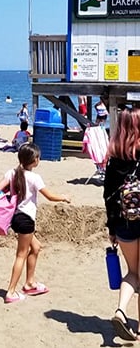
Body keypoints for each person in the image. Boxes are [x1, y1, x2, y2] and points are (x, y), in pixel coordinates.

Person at [0, 143, 70, 304]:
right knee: (21, 254)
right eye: (38, 158)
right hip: (26, 219)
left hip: (15, 218)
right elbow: (49, 196)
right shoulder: (34, 178)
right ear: (34, 160)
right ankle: (11, 292)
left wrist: (10, 193)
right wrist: (64, 197)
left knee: (36, 247)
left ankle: (30, 283)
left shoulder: (12, 173)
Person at [103, 107, 140, 341]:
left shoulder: (115, 158)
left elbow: (108, 196)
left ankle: (121, 310)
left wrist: (112, 228)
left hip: (125, 222)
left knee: (133, 272)